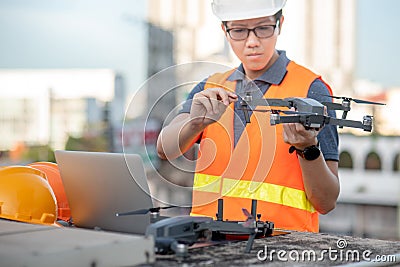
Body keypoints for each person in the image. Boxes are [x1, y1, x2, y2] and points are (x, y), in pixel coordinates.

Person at [156, 0, 339, 232]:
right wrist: (196, 123)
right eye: (239, 31)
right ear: (225, 31)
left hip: (284, 249)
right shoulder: (210, 87)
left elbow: (327, 201)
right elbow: (165, 149)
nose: (252, 42)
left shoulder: (311, 90)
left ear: (279, 23)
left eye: (263, 28)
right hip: (209, 244)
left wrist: (308, 149)